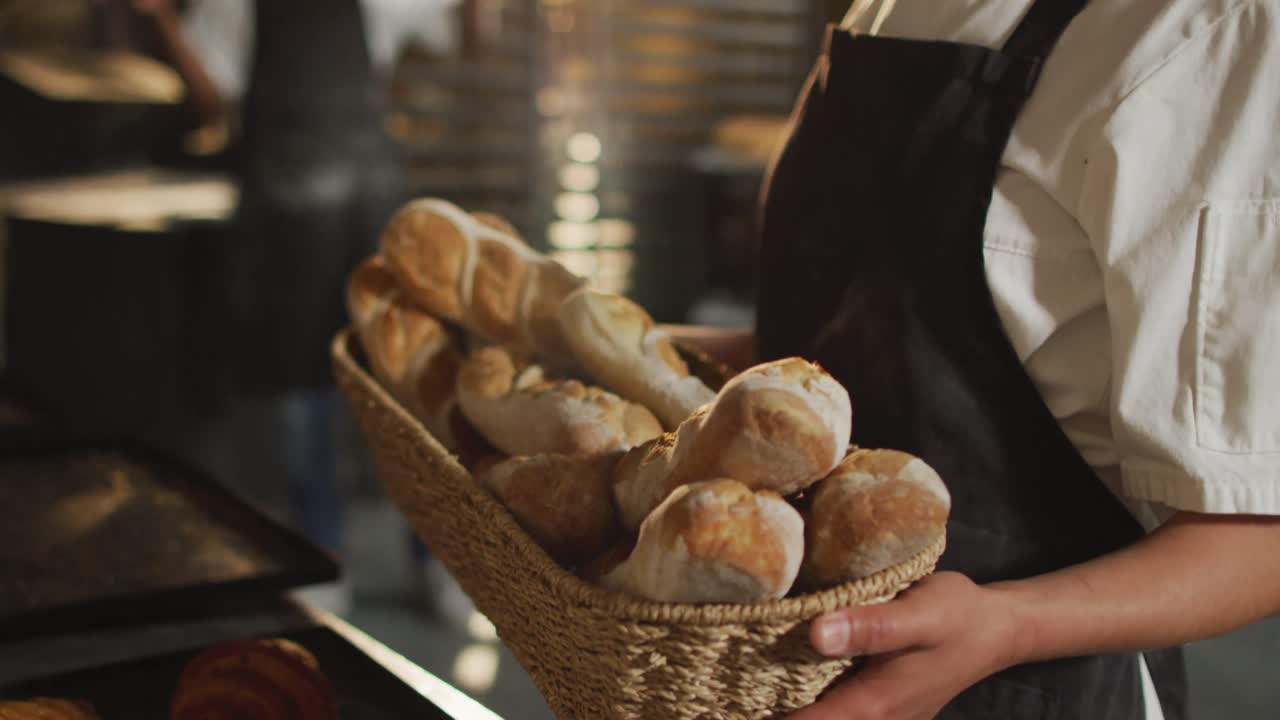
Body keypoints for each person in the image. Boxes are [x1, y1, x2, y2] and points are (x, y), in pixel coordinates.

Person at [668, 0, 1280, 717]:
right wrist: (630, 355)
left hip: (1017, 690)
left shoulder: (1213, 26)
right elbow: (857, 341)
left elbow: (1254, 531)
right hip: (759, 668)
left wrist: (1006, 627)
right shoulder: (886, 9)